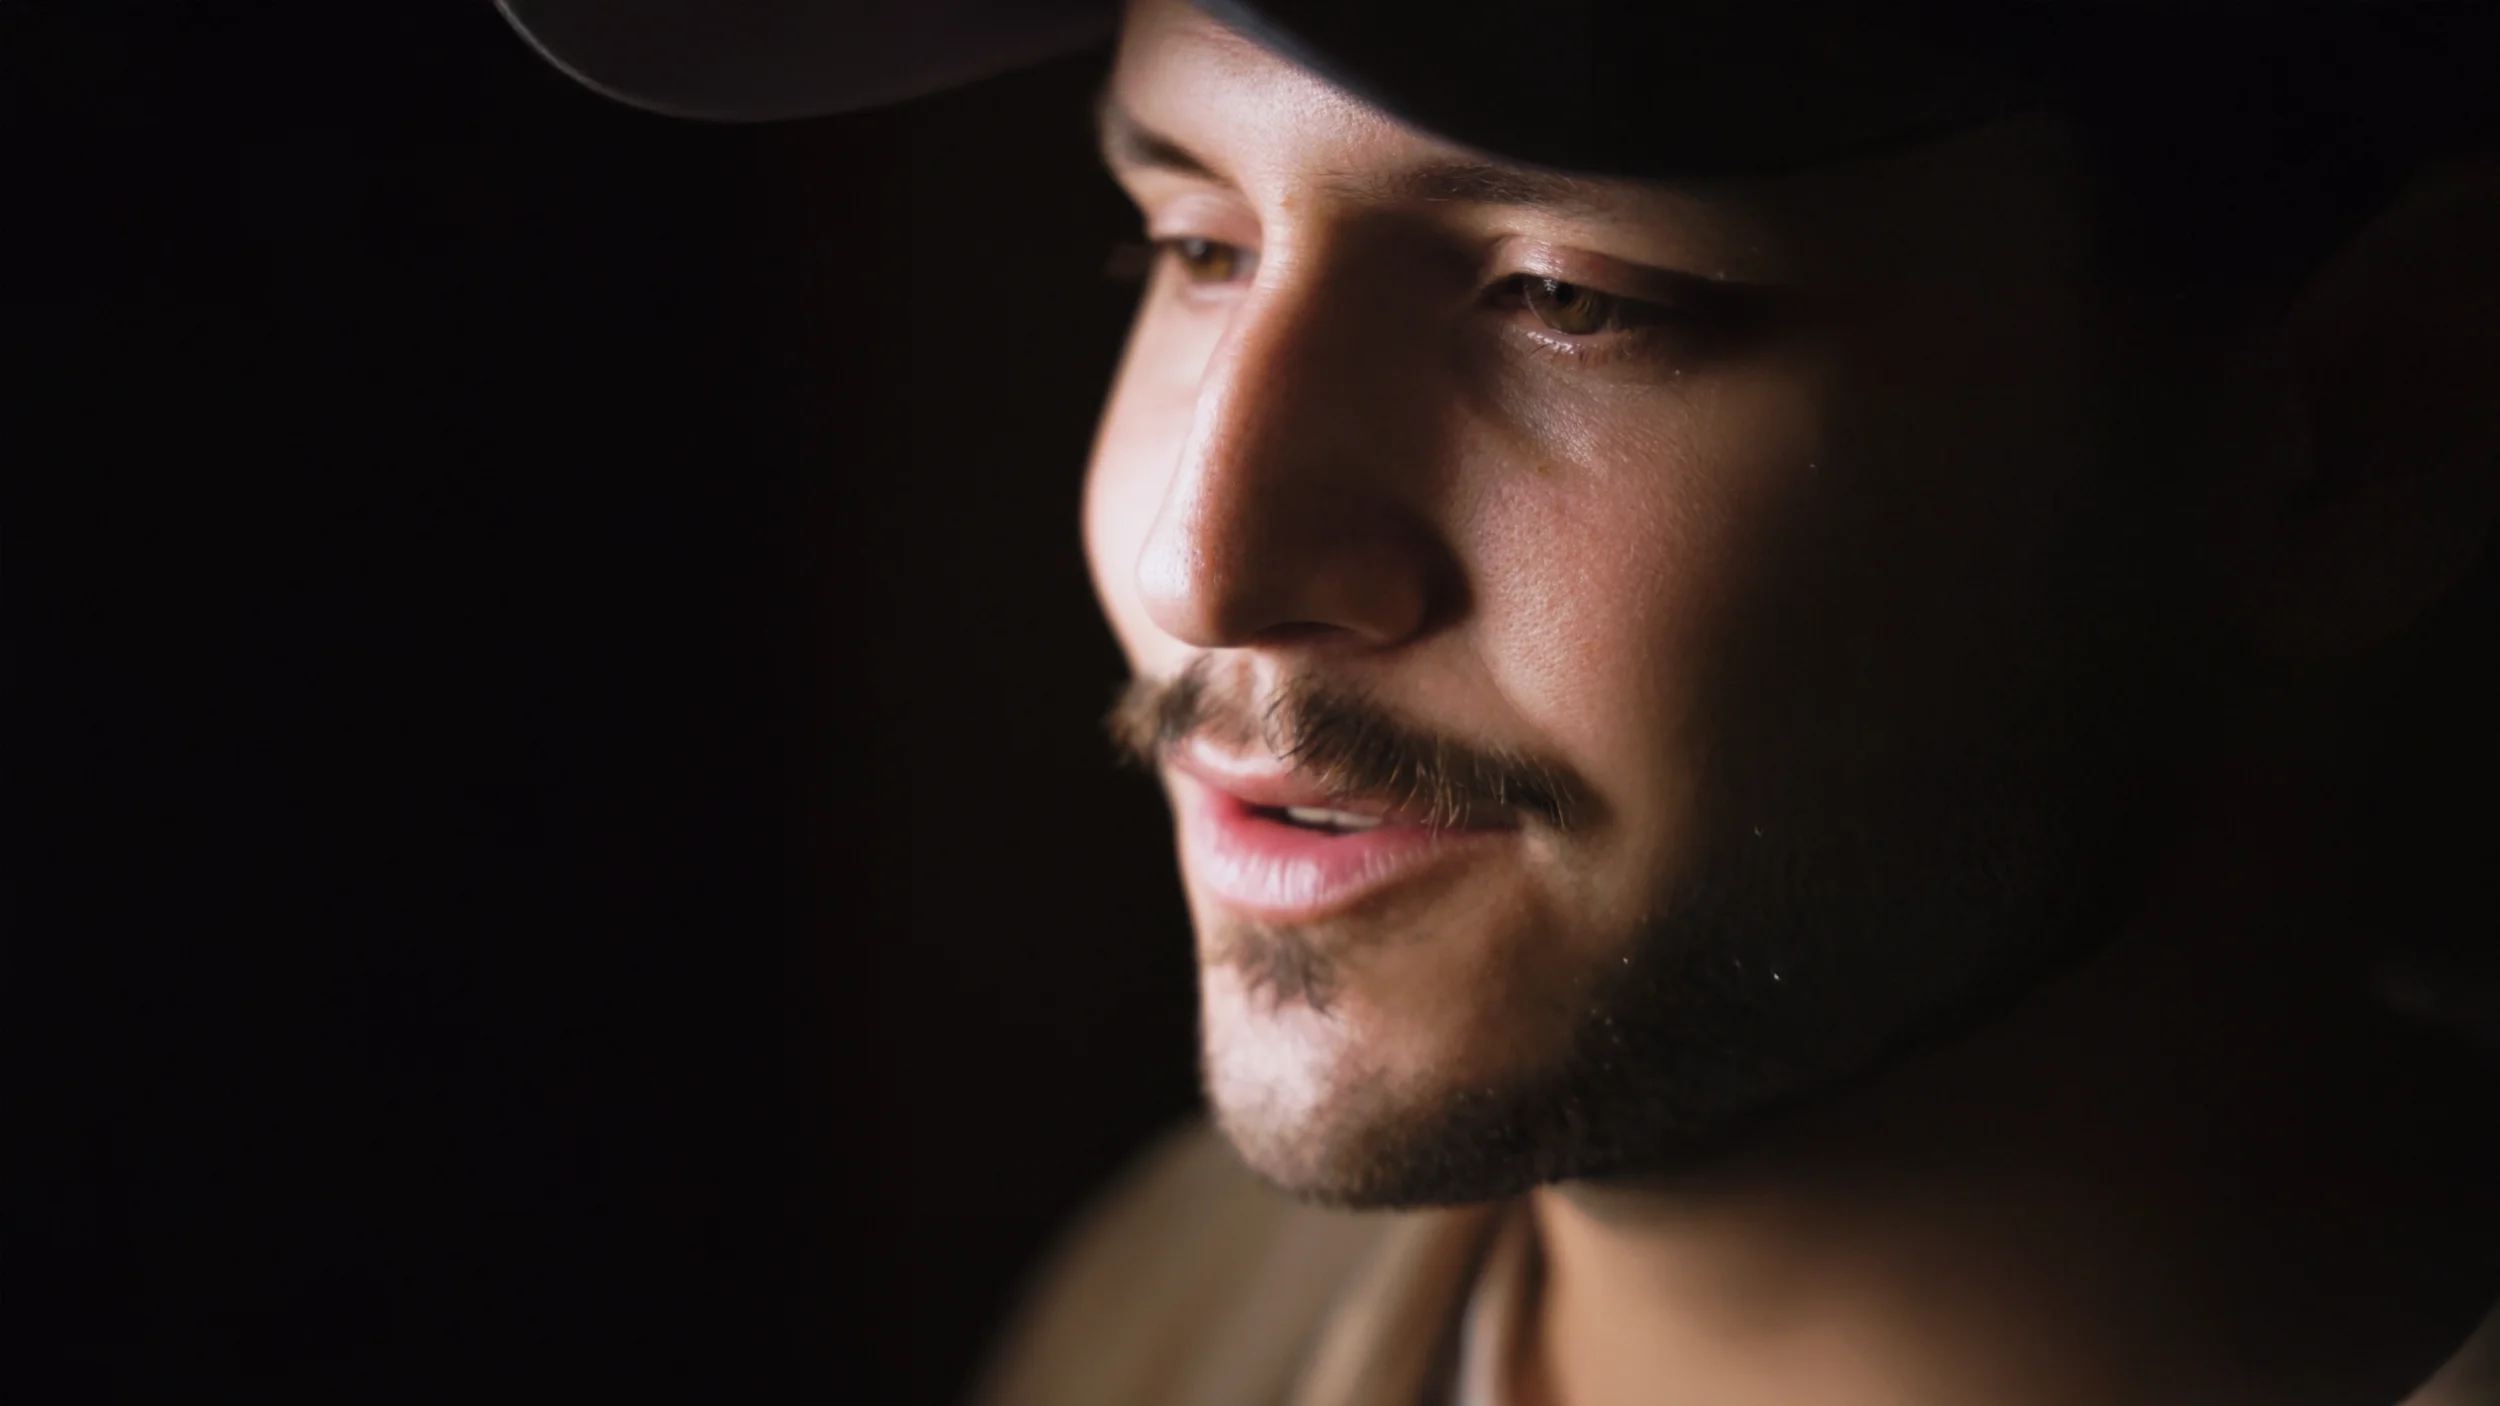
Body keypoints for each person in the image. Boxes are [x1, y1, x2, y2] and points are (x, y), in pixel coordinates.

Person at [501, 2, 2500, 1402]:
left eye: (1565, 297)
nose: (1204, 564)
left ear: (2358, 424)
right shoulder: (1188, 1311)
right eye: (1191, 243)